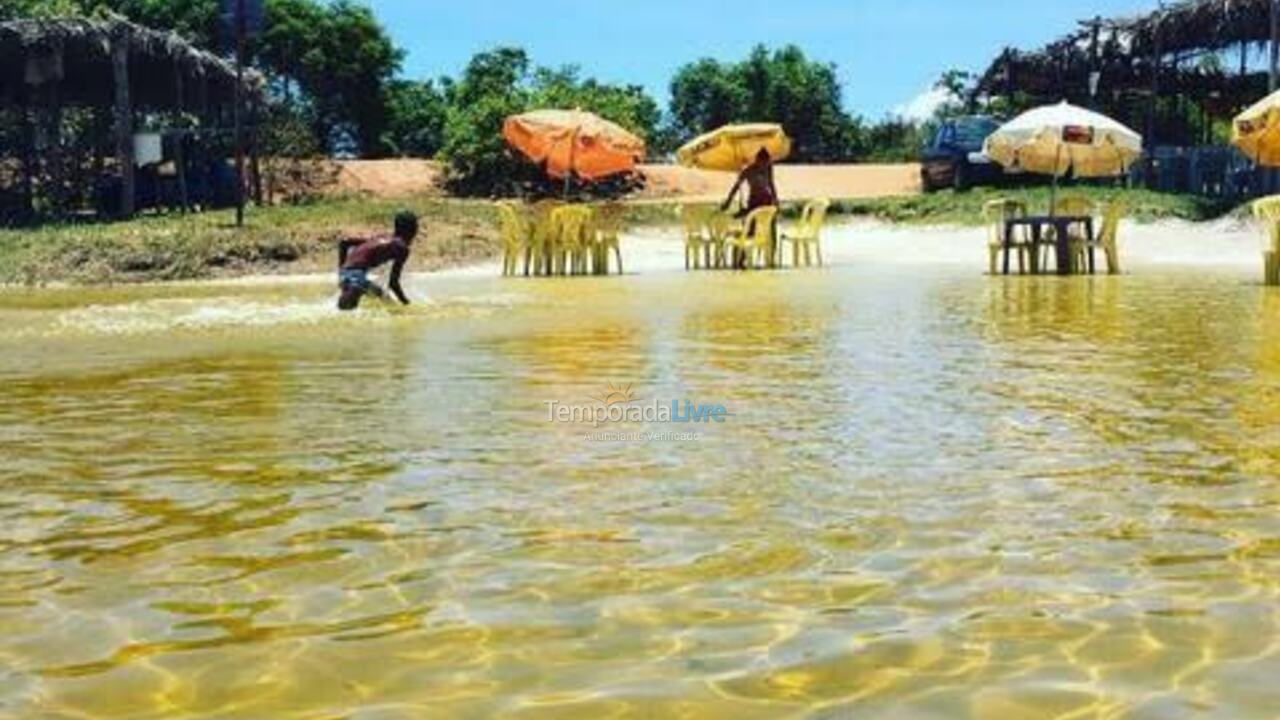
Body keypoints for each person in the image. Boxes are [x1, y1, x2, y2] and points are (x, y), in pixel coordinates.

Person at [336, 210, 418, 311]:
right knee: (345, 311)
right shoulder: (402, 248)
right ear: (412, 230)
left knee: (385, 300)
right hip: (356, 278)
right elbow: (393, 283)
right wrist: (406, 303)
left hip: (351, 274)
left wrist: (341, 271)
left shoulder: (382, 238)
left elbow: (344, 242)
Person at [721, 148, 779, 217]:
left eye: (766, 164)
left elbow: (771, 183)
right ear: (757, 160)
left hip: (766, 198)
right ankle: (746, 212)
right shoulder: (748, 171)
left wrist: (775, 199)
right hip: (754, 198)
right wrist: (728, 202)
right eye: (763, 164)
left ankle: (745, 212)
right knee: (752, 216)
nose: (764, 167)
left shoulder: (768, 168)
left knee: (769, 215)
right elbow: (736, 187)